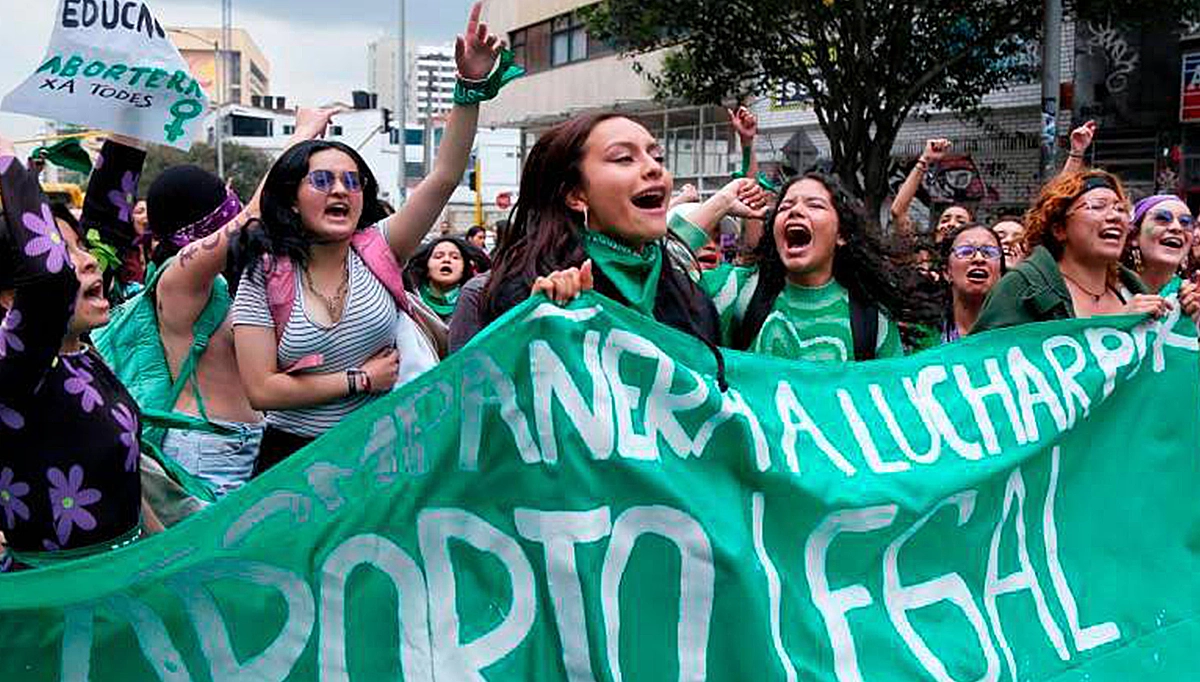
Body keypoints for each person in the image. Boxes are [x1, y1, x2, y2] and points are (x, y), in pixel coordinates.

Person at [232, 2, 503, 471]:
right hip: (292, 463)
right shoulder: (265, 273)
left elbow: (444, 175)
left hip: (380, 458)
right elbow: (262, 390)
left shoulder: (379, 247)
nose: (341, 189)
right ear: (292, 199)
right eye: (322, 181)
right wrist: (362, 379)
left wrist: (470, 87)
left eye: (352, 181)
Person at [0, 134, 160, 570]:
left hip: (120, 582)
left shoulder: (78, 346)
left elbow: (106, 225)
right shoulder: (16, 369)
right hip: (54, 605)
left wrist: (133, 110)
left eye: (81, 247)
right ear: (10, 300)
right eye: (67, 251)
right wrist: (7, 160)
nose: (90, 260)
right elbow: (50, 282)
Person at [93, 140, 271, 497]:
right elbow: (257, 211)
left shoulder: (225, 279)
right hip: (208, 454)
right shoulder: (180, 280)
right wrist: (304, 136)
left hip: (240, 445)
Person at [477, 113, 723, 348]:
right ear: (575, 195)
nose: (654, 168)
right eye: (624, 158)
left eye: (657, 157)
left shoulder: (691, 297)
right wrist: (534, 326)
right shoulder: (531, 291)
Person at [675, 171, 939, 361]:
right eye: (785, 206)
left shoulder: (872, 321)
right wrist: (720, 203)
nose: (795, 211)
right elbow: (648, 270)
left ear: (842, 235)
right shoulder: (736, 290)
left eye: (814, 205)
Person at [974, 170, 1169, 332]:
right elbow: (982, 364)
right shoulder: (1022, 287)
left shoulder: (1131, 289)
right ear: (1059, 229)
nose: (1115, 217)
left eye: (1120, 209)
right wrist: (1116, 326)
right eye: (1098, 206)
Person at [890, 138, 972, 239]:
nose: (951, 224)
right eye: (945, 220)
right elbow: (898, 212)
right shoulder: (922, 253)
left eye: (961, 222)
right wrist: (925, 159)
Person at [938, 223, 1005, 342]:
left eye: (989, 252)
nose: (979, 258)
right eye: (965, 251)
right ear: (947, 272)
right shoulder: (919, 336)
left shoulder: (1017, 334)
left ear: (1000, 273)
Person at [1121, 194, 1194, 294]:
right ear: (1135, 236)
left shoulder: (1191, 295)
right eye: (1162, 219)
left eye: (1185, 222)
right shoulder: (1108, 290)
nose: (1177, 227)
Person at [404, 235, 477, 321]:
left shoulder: (474, 303)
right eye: (438, 256)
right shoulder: (410, 299)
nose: (446, 260)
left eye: (455, 257)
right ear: (426, 267)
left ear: (464, 269)